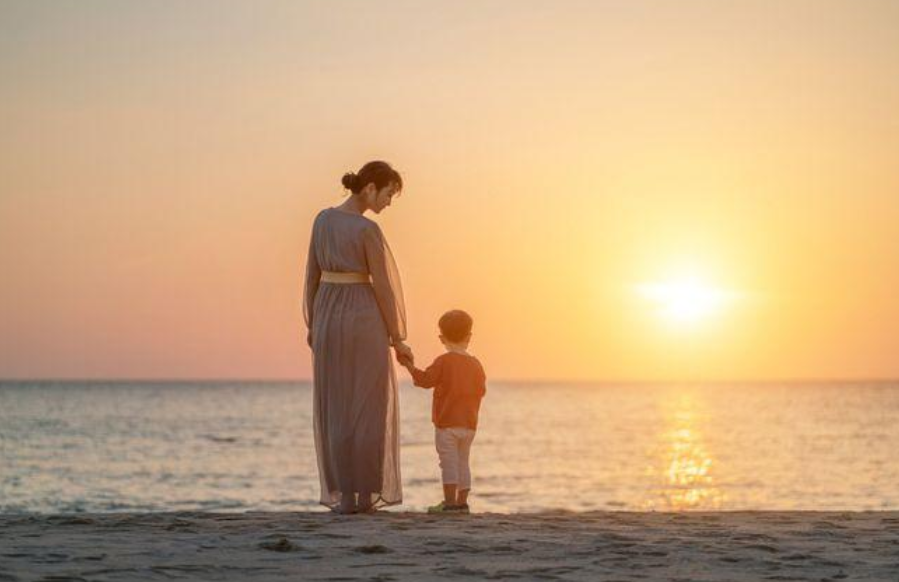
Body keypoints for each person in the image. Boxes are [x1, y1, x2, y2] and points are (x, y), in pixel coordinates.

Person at [303, 160, 414, 514]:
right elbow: (382, 286)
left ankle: (346, 496)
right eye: (388, 194)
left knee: (337, 406)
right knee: (368, 406)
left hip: (328, 317)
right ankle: (366, 496)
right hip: (365, 318)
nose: (388, 203)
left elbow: (312, 275)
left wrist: (313, 323)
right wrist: (397, 336)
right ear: (369, 188)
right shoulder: (368, 230)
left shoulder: (322, 220)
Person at [398, 309, 487, 514]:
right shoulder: (476, 364)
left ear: (441, 338)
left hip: (447, 423)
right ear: (469, 337)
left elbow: (424, 381)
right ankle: (461, 503)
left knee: (448, 463)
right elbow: (481, 390)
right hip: (469, 424)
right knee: (463, 462)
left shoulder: (444, 361)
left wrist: (408, 365)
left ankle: (449, 504)